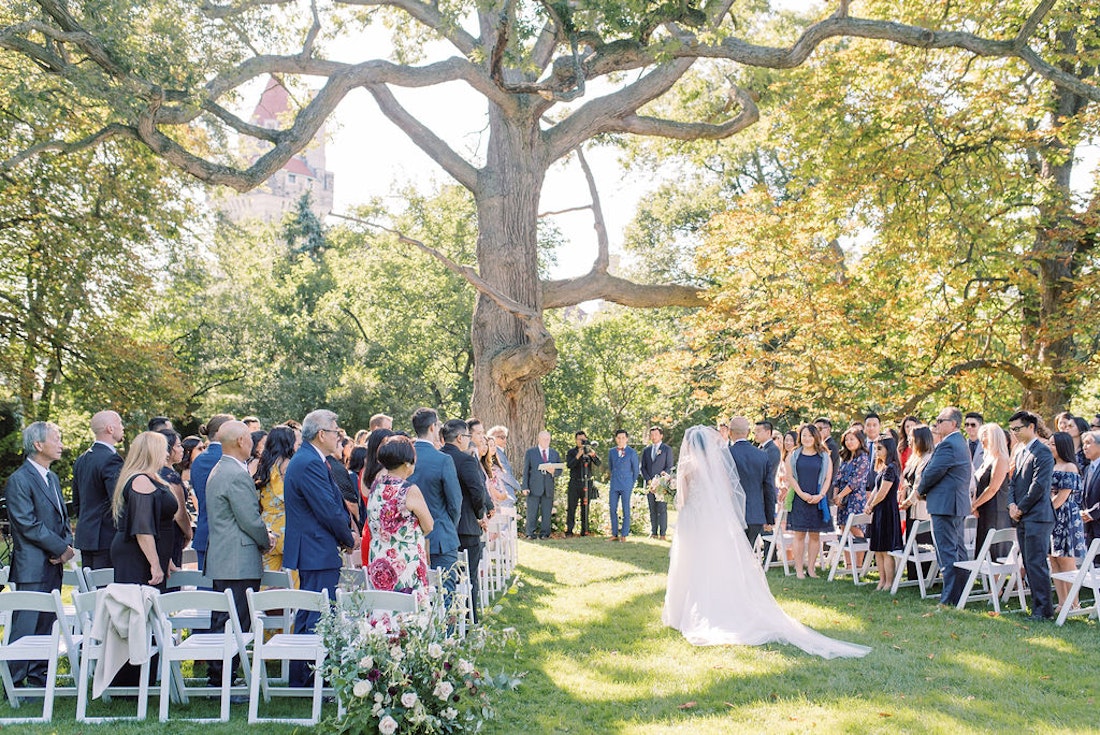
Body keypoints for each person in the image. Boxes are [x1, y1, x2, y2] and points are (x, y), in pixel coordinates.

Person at [662, 426, 869, 657]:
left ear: (689, 444)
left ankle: (686, 612)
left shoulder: (688, 467)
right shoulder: (717, 464)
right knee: (715, 562)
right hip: (714, 519)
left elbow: (682, 498)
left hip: (693, 519)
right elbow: (729, 492)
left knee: (692, 562)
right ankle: (720, 606)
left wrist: (668, 490)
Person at [283, 409, 358, 685]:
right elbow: (326, 508)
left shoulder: (311, 459)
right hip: (315, 549)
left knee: (311, 611)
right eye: (335, 429)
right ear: (321, 433)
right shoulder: (308, 462)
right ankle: (311, 678)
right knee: (318, 613)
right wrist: (348, 538)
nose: (339, 433)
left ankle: (303, 678)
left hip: (315, 548)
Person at [4, 422, 75, 687]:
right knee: (27, 624)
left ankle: (38, 675)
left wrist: (66, 546)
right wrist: (60, 548)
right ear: (38, 445)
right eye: (56, 439)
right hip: (32, 565)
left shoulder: (52, 477)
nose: (61, 444)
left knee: (47, 623)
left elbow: (62, 518)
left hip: (54, 563)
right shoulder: (19, 480)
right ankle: (13, 680)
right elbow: (27, 523)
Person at [204, 420, 272, 687]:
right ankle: (223, 678)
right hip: (237, 559)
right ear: (242, 441)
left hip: (224, 556)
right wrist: (267, 540)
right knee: (235, 621)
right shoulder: (235, 474)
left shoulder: (220, 469)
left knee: (224, 619)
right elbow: (250, 519)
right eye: (250, 439)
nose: (254, 444)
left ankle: (219, 676)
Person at [365, 436, 434, 611]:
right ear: (407, 462)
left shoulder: (375, 486)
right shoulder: (409, 490)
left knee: (384, 612)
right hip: (404, 560)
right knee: (409, 613)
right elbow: (429, 525)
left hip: (380, 558)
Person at [913, 406, 972, 606]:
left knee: (946, 552)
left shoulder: (949, 444)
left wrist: (920, 490)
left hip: (946, 505)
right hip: (954, 504)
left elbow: (933, 471)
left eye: (940, 421)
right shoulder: (959, 442)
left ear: (953, 423)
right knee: (957, 550)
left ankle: (949, 599)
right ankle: (960, 594)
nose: (936, 424)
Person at [110, 431, 178, 591]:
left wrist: (165, 557)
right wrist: (155, 563)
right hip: (137, 555)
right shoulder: (140, 480)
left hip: (150, 552)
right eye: (164, 449)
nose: (167, 454)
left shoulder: (152, 477)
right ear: (153, 452)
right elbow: (143, 528)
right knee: (140, 606)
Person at [440, 419, 493, 622]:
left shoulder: (437, 458)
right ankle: (470, 619)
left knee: (445, 578)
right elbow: (477, 491)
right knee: (468, 577)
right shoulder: (466, 460)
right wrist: (480, 514)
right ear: (461, 438)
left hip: (442, 528)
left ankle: (449, 618)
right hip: (467, 526)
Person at [1007, 410, 1056, 621]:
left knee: (1036, 564)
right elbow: (1013, 482)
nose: (1014, 433)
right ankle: (1037, 606)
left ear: (1031, 427)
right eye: (1012, 429)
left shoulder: (1043, 453)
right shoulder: (1020, 452)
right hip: (1022, 515)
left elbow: (1039, 486)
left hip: (1037, 515)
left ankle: (1044, 610)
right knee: (1028, 562)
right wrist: (1011, 504)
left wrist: (1021, 508)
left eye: (1017, 428)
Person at [407, 408, 462, 590]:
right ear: (432, 427)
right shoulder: (442, 460)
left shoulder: (404, 458)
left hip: (411, 539)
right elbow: (455, 502)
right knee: (445, 596)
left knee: (417, 597)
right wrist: (448, 525)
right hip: (441, 537)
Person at [71, 410, 125, 570]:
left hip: (86, 536)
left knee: (91, 589)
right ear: (110, 429)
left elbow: (77, 502)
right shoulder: (111, 459)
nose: (123, 428)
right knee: (105, 591)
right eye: (120, 423)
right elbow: (118, 501)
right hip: (107, 537)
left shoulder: (82, 459)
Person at [786, 424, 833, 579]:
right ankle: (799, 569)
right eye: (804, 435)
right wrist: (802, 494)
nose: (807, 439)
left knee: (814, 536)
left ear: (816, 437)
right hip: (800, 499)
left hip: (818, 499)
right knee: (799, 535)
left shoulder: (824, 456)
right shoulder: (794, 455)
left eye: (810, 436)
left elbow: (827, 477)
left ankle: (811, 569)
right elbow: (791, 477)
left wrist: (820, 495)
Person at [190, 413, 236, 571]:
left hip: (204, 530)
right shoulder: (228, 458)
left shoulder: (198, 460)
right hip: (227, 536)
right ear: (221, 432)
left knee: (205, 591)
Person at [1048, 431, 1087, 611]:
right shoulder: (1051, 465)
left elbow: (1062, 497)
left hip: (1065, 516)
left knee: (1066, 561)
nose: (1050, 447)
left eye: (1054, 444)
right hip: (1051, 516)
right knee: (1054, 561)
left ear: (1063, 446)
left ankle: (1074, 603)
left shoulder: (1070, 467)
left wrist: (1044, 511)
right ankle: (1062, 602)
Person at [253, 425, 298, 574]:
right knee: (293, 578)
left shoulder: (263, 465)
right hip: (288, 525)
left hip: (267, 528)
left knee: (269, 579)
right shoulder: (289, 465)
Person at [727, 417, 775, 548]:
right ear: (748, 432)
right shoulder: (762, 455)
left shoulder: (725, 455)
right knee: (747, 553)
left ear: (730, 432)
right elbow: (769, 488)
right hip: (755, 515)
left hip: (732, 514)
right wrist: (769, 517)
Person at [865, 436, 903, 590]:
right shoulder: (883, 468)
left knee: (886, 550)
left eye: (880, 448)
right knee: (878, 549)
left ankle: (889, 582)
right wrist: (869, 504)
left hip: (887, 509)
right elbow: (876, 489)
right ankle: (881, 580)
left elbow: (883, 491)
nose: (877, 452)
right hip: (879, 510)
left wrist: (872, 505)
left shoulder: (891, 468)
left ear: (889, 449)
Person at [970, 423, 1012, 559]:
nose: (981, 440)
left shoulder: (1001, 458)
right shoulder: (988, 458)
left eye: (984, 436)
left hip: (996, 511)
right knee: (984, 550)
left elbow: (993, 488)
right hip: (985, 510)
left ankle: (996, 580)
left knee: (994, 552)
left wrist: (974, 504)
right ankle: (988, 580)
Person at [158, 430, 195, 570]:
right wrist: (188, 533)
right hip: (171, 532)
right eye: (178, 446)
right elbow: (179, 512)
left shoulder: (153, 472)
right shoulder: (171, 477)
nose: (182, 450)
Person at [523, 430, 562, 540]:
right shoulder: (531, 452)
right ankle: (530, 533)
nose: (546, 441)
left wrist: (553, 471)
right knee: (532, 512)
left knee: (547, 513)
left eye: (548, 439)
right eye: (544, 439)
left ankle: (545, 534)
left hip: (548, 488)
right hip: (533, 487)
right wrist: (524, 487)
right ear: (538, 439)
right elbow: (526, 470)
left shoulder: (554, 453)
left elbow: (560, 470)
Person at [834, 427, 871, 538]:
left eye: (852, 439)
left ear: (859, 440)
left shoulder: (863, 459)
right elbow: (838, 478)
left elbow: (855, 481)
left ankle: (859, 556)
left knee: (856, 530)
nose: (849, 442)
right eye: (846, 440)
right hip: (842, 501)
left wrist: (840, 495)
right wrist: (836, 495)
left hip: (855, 499)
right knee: (844, 531)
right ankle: (847, 556)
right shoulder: (845, 459)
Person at [641, 426, 675, 540]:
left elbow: (669, 466)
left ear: (661, 436)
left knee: (662, 509)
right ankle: (653, 532)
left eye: (656, 434)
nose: (653, 437)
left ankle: (663, 533)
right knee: (652, 509)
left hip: (662, 484)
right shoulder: (646, 450)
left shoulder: (667, 449)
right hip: (650, 484)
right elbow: (643, 467)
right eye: (652, 435)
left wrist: (661, 480)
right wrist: (649, 480)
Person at [606, 430, 639, 542]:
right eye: (618, 438)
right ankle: (614, 534)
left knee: (625, 508)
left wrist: (631, 483)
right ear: (616, 439)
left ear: (627, 439)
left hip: (626, 484)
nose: (620, 440)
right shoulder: (611, 452)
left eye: (623, 438)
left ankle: (624, 534)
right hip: (615, 483)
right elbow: (611, 467)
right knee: (612, 508)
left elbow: (635, 470)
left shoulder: (632, 452)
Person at [565, 431, 600, 537]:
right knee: (572, 507)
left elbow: (598, 463)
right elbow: (569, 465)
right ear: (576, 440)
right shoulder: (571, 452)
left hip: (587, 483)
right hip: (575, 482)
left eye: (583, 440)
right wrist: (578, 455)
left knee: (585, 507)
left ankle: (585, 530)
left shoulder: (589, 451)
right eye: (579, 439)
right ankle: (569, 531)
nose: (582, 442)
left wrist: (593, 455)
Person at [486, 425, 520, 508]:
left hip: (504, 496)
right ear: (493, 438)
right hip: (502, 496)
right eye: (501, 437)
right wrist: (519, 487)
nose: (505, 439)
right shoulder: (496, 452)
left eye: (505, 437)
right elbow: (504, 474)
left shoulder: (500, 452)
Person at [1082, 431, 1100, 558]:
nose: (1084, 447)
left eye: (1088, 443)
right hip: (1089, 528)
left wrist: (1092, 513)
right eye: (1083, 443)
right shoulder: (1087, 469)